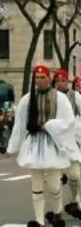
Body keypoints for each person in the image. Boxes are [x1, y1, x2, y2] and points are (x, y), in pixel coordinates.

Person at [7, 64, 77, 227]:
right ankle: (39, 220)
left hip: (52, 143)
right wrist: (12, 147)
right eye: (37, 78)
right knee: (36, 183)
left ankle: (57, 212)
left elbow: (68, 122)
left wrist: (51, 125)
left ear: (49, 78)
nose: (39, 80)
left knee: (54, 184)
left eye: (42, 77)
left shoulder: (60, 98)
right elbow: (20, 125)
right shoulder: (27, 99)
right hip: (34, 143)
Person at [53, 69, 81, 219]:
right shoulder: (51, 96)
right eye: (57, 80)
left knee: (75, 174)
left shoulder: (74, 96)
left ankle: (74, 200)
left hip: (72, 139)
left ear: (67, 82)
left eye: (63, 80)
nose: (60, 83)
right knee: (54, 179)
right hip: (55, 139)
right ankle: (57, 210)